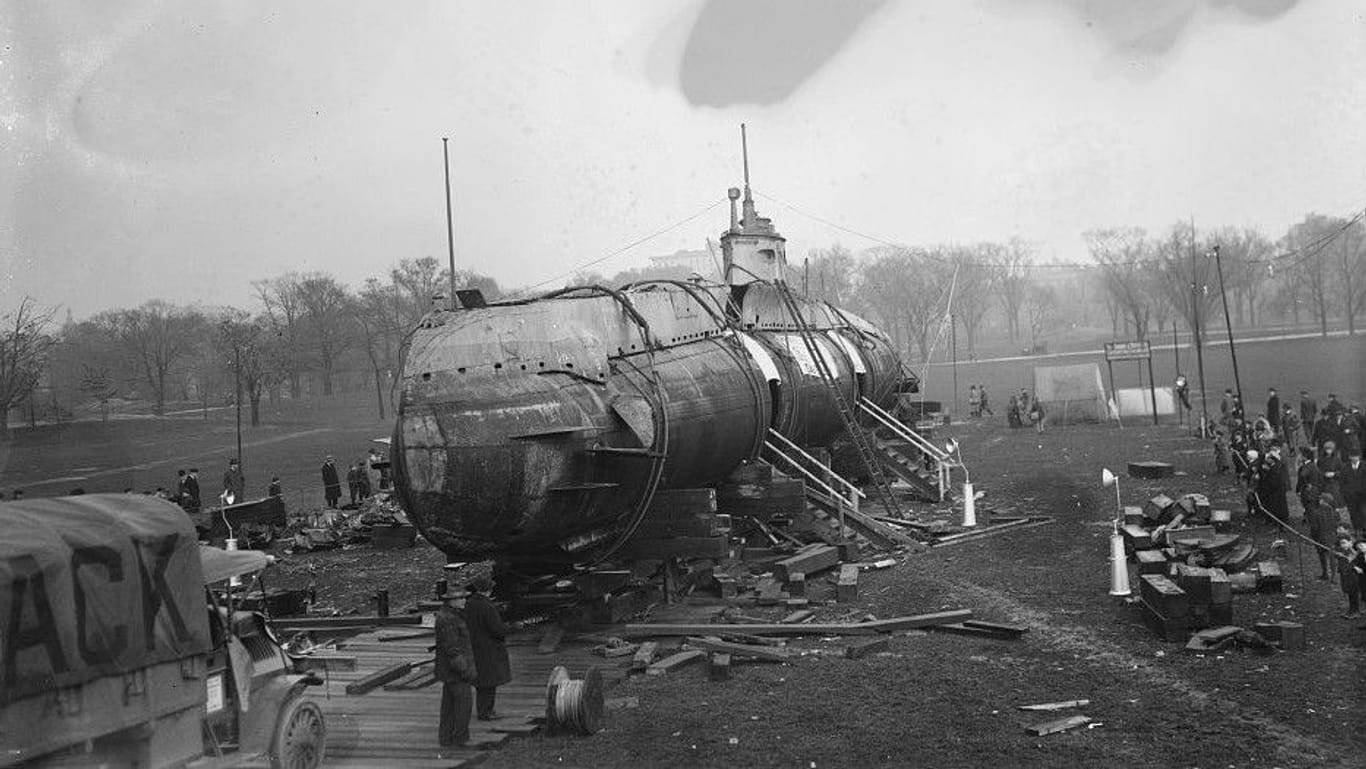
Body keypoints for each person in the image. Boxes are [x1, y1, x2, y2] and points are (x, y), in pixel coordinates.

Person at [464, 578, 514, 721]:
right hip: (489, 648)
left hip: (474, 647)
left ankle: (483, 709)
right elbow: (497, 630)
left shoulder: (469, 604)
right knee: (490, 682)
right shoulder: (488, 606)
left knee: (481, 682)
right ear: (488, 590)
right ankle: (486, 712)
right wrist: (512, 628)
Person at [434, 588, 476, 749]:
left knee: (449, 707)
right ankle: (460, 739)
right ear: (451, 601)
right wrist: (465, 670)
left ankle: (446, 739)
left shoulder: (451, 616)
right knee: (462, 706)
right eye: (460, 598)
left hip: (450, 672)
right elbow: (453, 650)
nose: (464, 600)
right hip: (455, 672)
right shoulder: (449, 619)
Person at [1306, 487, 1338, 580]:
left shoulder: (1316, 513)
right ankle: (1333, 575)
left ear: (1323, 501)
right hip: (1332, 537)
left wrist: (1313, 537)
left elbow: (1314, 527)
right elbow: (1336, 525)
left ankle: (1325, 573)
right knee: (1332, 557)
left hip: (1320, 537)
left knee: (1322, 556)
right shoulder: (1334, 512)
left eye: (1320, 499)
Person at [1341, 449, 1366, 536]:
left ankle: (1363, 531)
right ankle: (1356, 530)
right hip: (1350, 496)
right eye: (1352, 456)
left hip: (1363, 496)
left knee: (1363, 513)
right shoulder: (1345, 468)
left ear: (1359, 457)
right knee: (1353, 514)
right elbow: (1342, 482)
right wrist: (1346, 493)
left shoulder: (1364, 466)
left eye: (1356, 456)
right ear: (1349, 457)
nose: (1354, 458)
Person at [1335, 535, 1360, 618]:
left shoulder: (1354, 552)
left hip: (1353, 576)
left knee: (1353, 593)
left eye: (1344, 543)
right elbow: (1336, 555)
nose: (1343, 545)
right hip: (1345, 575)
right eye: (1341, 544)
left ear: (1350, 542)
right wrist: (1338, 554)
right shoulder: (1342, 551)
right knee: (1349, 593)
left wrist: (1351, 559)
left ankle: (1355, 611)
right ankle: (1351, 610)